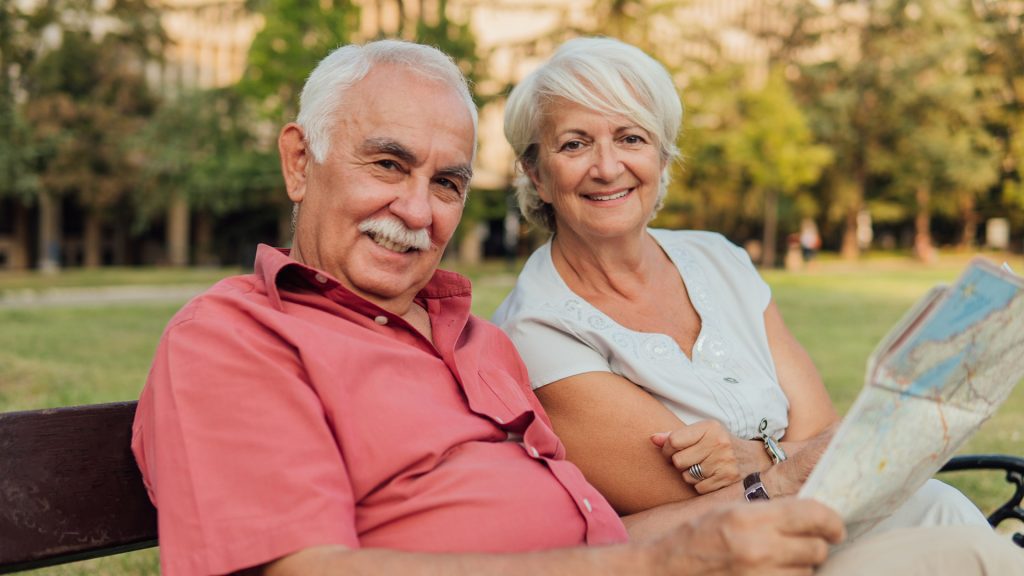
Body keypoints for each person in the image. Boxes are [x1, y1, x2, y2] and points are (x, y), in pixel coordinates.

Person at [130, 39, 1022, 576]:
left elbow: (600, 526)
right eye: (387, 165)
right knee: (942, 555)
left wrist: (724, 522)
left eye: (444, 182)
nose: (418, 210)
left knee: (939, 524)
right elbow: (304, 571)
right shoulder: (236, 339)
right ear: (299, 161)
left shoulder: (466, 337)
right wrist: (665, 556)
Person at [492, 36, 988, 534]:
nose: (606, 167)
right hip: (731, 554)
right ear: (536, 173)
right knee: (949, 527)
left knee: (943, 511)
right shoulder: (536, 329)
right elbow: (690, 492)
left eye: (631, 138)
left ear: (662, 158)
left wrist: (756, 454)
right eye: (575, 144)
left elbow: (824, 430)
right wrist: (793, 460)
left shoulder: (719, 259)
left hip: (828, 517)